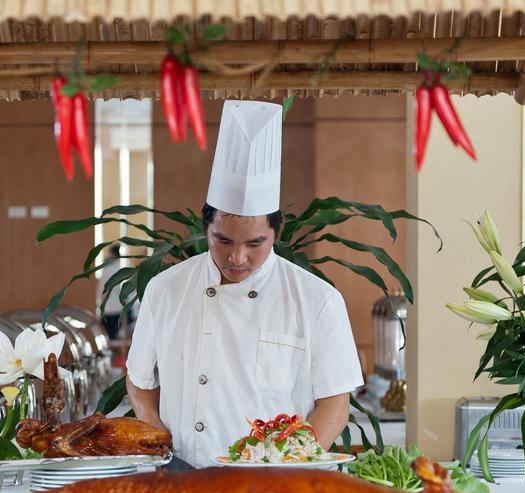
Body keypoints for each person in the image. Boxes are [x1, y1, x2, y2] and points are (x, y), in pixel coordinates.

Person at [125, 100, 362, 468]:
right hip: (183, 476)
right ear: (206, 227)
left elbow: (335, 404)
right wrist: (159, 442)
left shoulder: (318, 300)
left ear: (276, 233)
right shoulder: (164, 290)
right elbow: (139, 382)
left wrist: (289, 464)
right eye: (223, 241)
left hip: (275, 484)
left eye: (254, 244)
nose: (237, 257)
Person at [96, 245, 128, 339]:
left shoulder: (107, 267)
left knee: (110, 336)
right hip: (123, 307)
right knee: (121, 335)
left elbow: (102, 288)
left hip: (109, 309)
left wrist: (99, 302)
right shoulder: (127, 265)